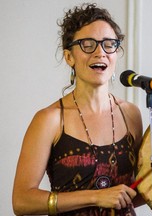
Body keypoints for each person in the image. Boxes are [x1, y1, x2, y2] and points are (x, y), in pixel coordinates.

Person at [12, 3, 144, 216]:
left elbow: (135, 191)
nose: (100, 52)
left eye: (109, 44)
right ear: (69, 57)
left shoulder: (130, 114)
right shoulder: (50, 119)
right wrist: (96, 196)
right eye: (87, 44)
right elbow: (21, 201)